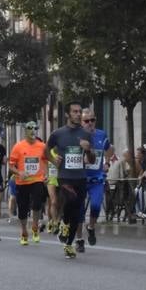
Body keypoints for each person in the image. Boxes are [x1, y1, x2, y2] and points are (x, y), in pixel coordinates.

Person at [47, 102, 95, 259]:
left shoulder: (86, 134)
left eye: (79, 111)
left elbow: (92, 159)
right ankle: (63, 223)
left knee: (77, 212)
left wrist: (87, 150)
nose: (78, 114)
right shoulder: (58, 133)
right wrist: (54, 161)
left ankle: (69, 243)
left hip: (80, 176)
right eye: (74, 111)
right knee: (70, 200)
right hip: (65, 176)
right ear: (67, 114)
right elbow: (45, 151)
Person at [78, 108, 113, 249]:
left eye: (92, 120)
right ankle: (79, 240)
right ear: (81, 122)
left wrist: (107, 162)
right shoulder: (77, 136)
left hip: (96, 179)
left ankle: (91, 227)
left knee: (96, 206)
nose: (90, 123)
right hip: (80, 179)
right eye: (86, 121)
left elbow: (110, 148)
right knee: (79, 210)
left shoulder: (101, 134)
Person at [10, 121, 47, 245]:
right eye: (30, 128)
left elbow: (47, 161)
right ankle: (24, 231)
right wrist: (19, 172)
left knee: (37, 203)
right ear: (26, 130)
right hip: (22, 181)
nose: (33, 130)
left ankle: (35, 226)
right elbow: (11, 166)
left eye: (35, 128)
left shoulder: (42, 146)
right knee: (22, 208)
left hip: (37, 179)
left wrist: (46, 174)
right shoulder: (18, 146)